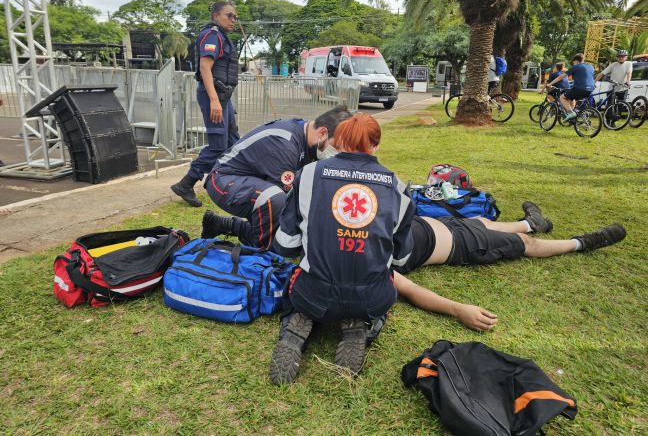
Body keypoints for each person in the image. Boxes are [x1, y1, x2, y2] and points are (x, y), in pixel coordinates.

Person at [268, 113, 415, 384]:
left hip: (313, 292)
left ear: (338, 142)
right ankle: (362, 323)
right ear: (376, 146)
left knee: (296, 277)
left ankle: (294, 327)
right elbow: (401, 258)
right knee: (383, 282)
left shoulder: (308, 175)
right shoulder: (398, 188)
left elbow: (286, 245)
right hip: (371, 296)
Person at [392, 204, 626, 331]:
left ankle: (532, 223)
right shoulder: (371, 262)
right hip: (461, 245)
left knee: (484, 222)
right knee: (524, 244)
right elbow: (411, 290)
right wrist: (459, 309)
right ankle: (581, 243)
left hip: (441, 225)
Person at [201, 106, 353, 250]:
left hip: (251, 180)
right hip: (224, 180)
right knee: (275, 201)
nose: (336, 153)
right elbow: (290, 204)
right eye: (336, 146)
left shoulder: (305, 137)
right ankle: (264, 251)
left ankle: (222, 224)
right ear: (322, 133)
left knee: (287, 221)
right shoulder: (285, 145)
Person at [171, 1, 241, 207]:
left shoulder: (222, 37)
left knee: (233, 143)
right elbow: (204, 67)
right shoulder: (212, 36)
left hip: (223, 96)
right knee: (219, 145)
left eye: (235, 17)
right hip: (214, 96)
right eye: (229, 16)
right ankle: (186, 183)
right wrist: (214, 101)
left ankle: (229, 183)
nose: (233, 20)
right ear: (216, 16)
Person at [546, 53, 595, 121]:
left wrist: (550, 84)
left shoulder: (575, 67)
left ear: (576, 61)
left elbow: (561, 77)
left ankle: (570, 113)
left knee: (562, 97)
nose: (573, 64)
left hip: (580, 87)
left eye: (573, 62)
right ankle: (572, 114)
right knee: (572, 98)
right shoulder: (591, 67)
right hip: (590, 89)